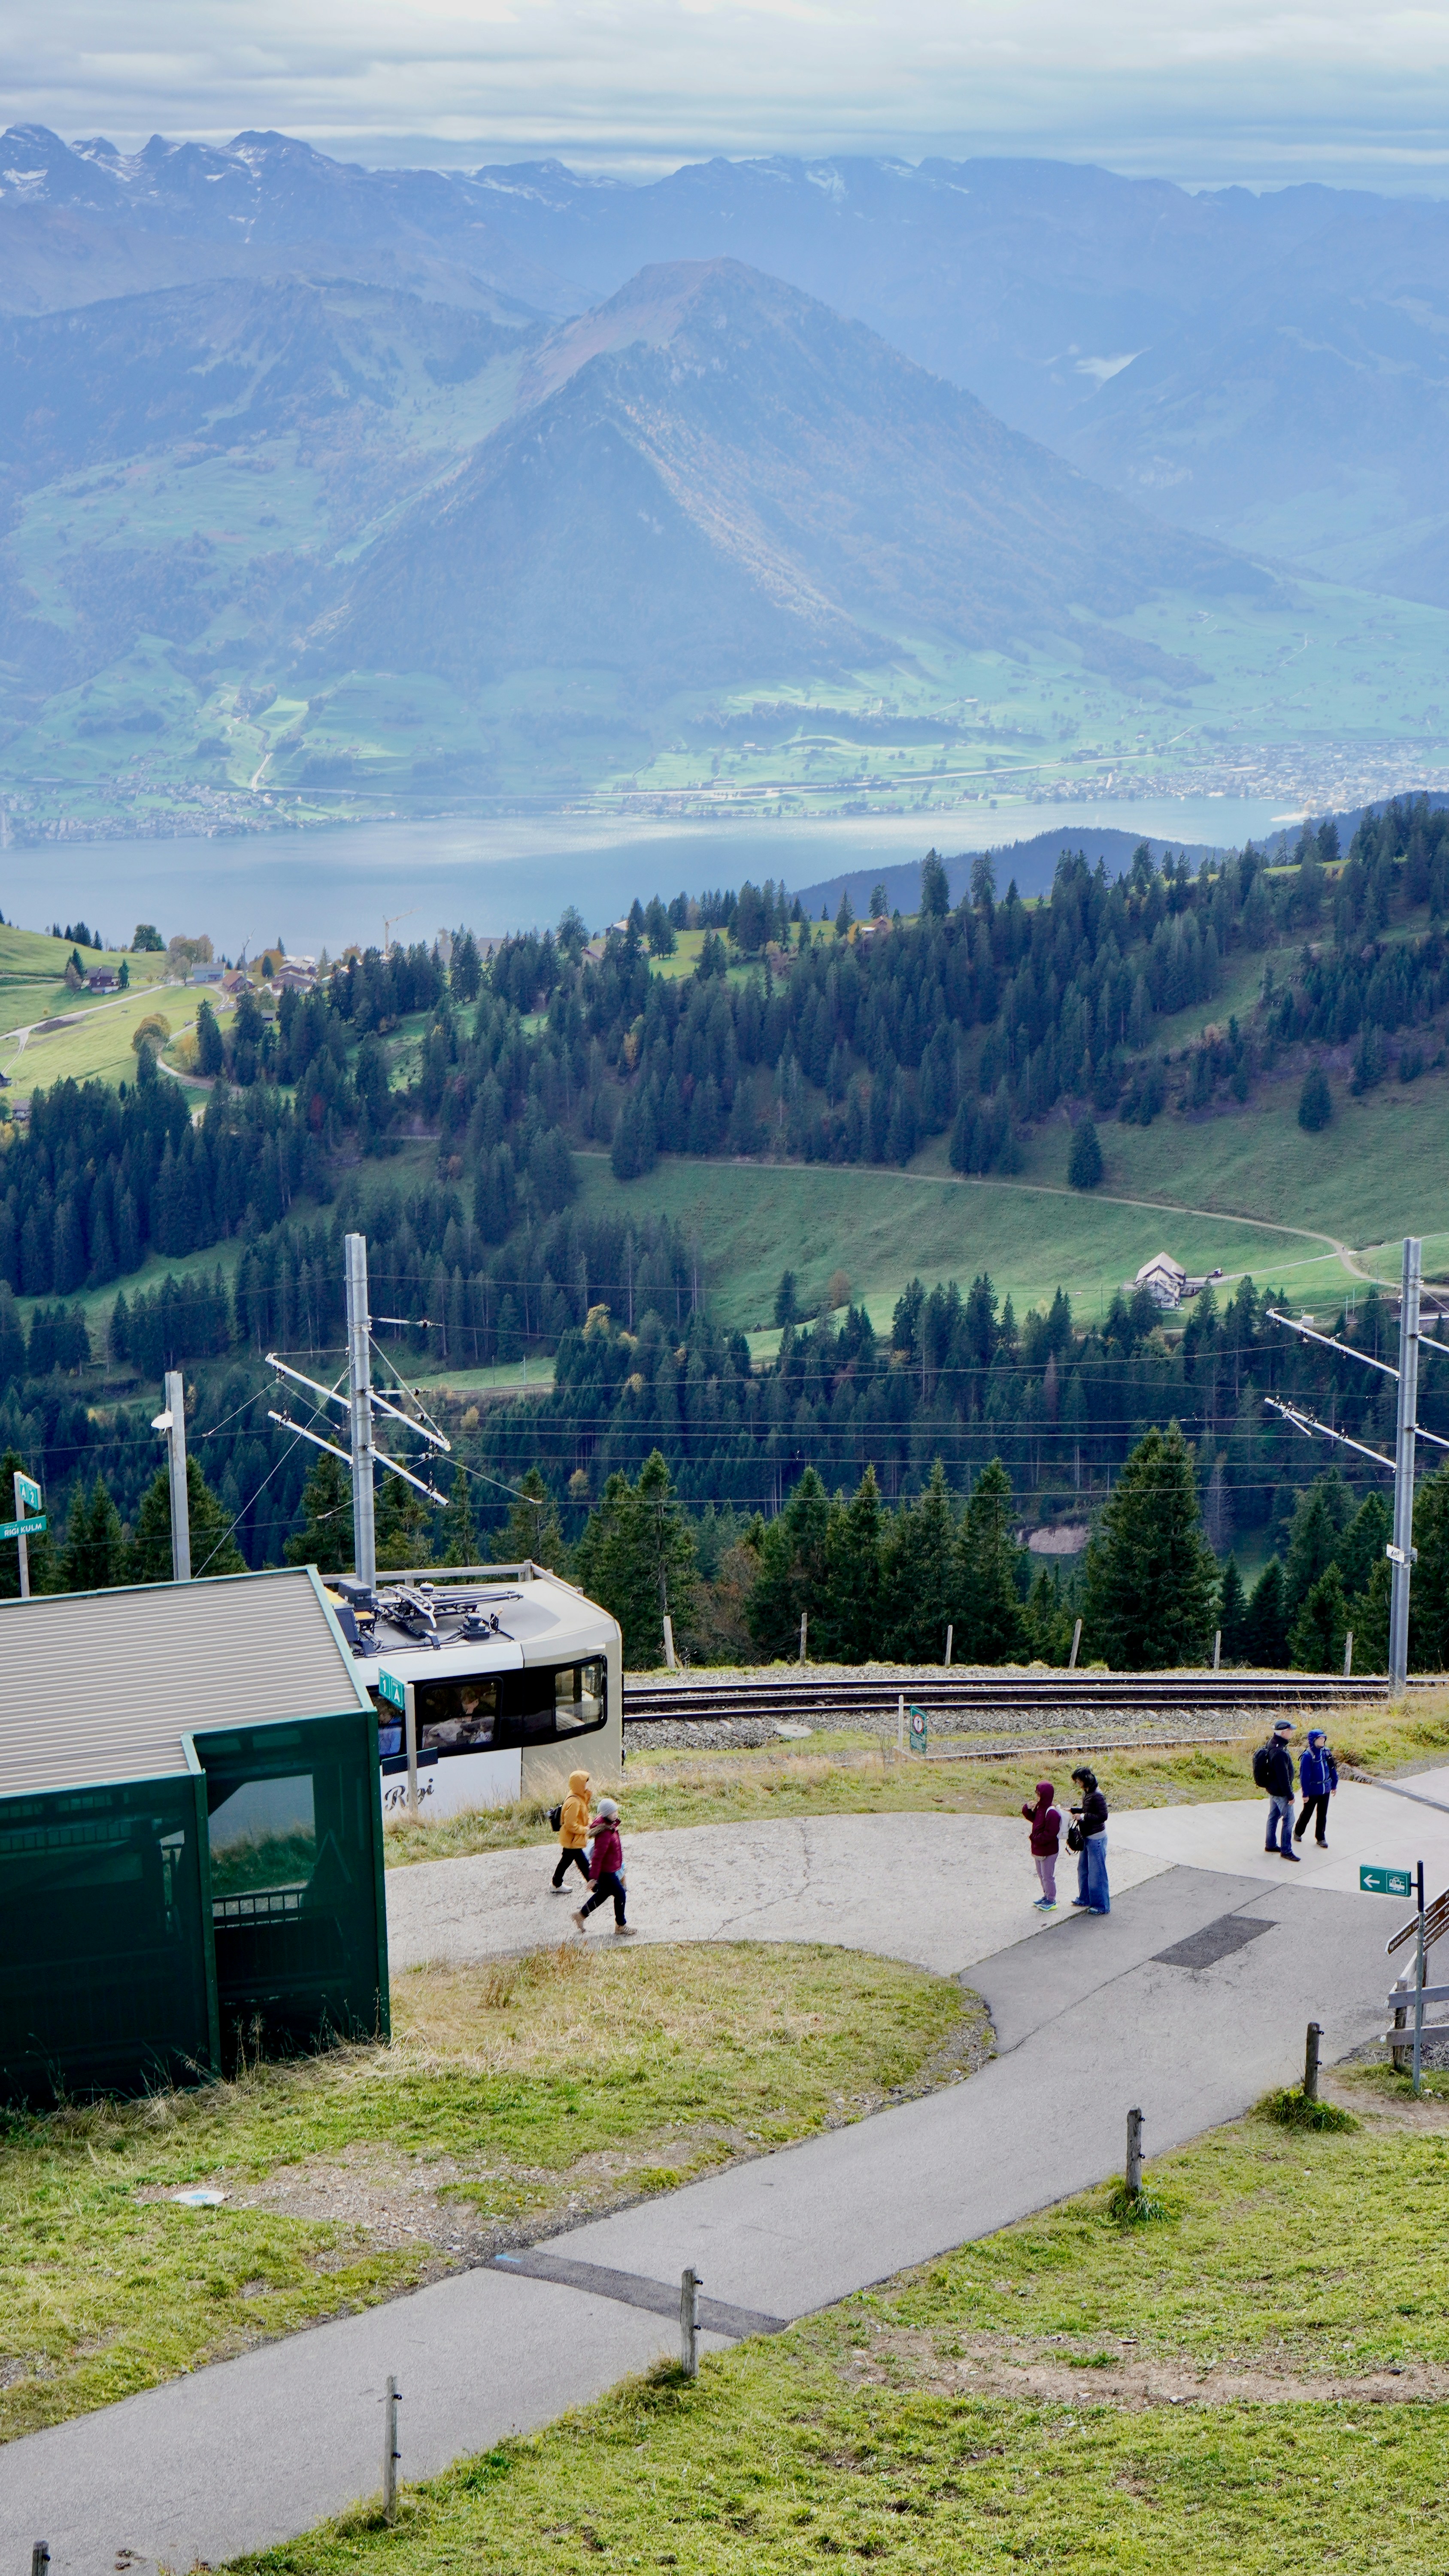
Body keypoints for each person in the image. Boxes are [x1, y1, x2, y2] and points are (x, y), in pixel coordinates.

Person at [573, 1795, 636, 1936]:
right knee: (621, 1895)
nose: (616, 1814)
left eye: (616, 1811)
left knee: (602, 1895)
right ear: (607, 1814)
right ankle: (621, 1926)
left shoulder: (609, 1826)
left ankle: (581, 1915)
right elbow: (598, 1857)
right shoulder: (605, 1833)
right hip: (606, 1872)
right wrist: (593, 1878)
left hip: (610, 1869)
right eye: (614, 1812)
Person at [1069, 1765, 1109, 1913]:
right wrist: (1074, 1811)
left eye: (1079, 1781)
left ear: (1086, 1781)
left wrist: (1083, 1817)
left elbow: (1103, 1816)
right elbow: (1088, 1811)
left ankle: (1101, 1906)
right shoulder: (1088, 1793)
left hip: (1096, 1839)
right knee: (1083, 1869)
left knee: (1097, 1874)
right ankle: (1085, 1898)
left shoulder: (1097, 1796)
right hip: (1087, 1837)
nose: (1078, 1784)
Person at [1258, 1718, 1299, 1860]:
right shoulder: (1280, 1752)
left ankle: (1270, 1845)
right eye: (1290, 1731)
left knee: (1273, 1817)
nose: (1292, 1733)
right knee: (1289, 1820)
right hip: (1281, 1792)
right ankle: (1286, 1851)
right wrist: (1290, 1796)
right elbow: (1283, 1777)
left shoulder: (1272, 1744)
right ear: (1283, 1733)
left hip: (1272, 1790)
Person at [1294, 1728, 1338, 1849]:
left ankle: (1321, 1837)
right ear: (1313, 1740)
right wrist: (1305, 1794)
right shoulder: (1308, 1756)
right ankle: (1298, 1832)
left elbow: (1332, 1769)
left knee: (1322, 1815)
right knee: (1307, 1813)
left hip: (1326, 1790)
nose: (1323, 1740)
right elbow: (1305, 1777)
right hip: (1313, 1791)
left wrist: (1334, 1784)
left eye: (1324, 1738)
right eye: (1320, 1738)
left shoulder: (1327, 1752)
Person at [550, 1768, 592, 1892]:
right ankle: (596, 1887)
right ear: (579, 1784)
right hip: (572, 1839)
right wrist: (586, 1830)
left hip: (572, 1839)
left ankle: (556, 1884)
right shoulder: (575, 1802)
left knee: (566, 1861)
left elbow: (584, 1815)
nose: (587, 1784)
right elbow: (570, 1825)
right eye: (585, 1782)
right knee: (583, 1863)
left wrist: (589, 1822)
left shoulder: (578, 1796)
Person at [1023, 1779, 1061, 1911]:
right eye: (1037, 1794)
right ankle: (1046, 1896)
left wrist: (1034, 1838)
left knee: (1048, 1876)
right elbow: (1033, 1819)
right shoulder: (1040, 1808)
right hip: (1039, 1849)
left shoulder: (1052, 1813)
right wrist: (1027, 1809)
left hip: (1048, 1851)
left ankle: (1052, 1900)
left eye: (1039, 1794)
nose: (1037, 1797)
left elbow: (1050, 1834)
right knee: (1041, 1875)